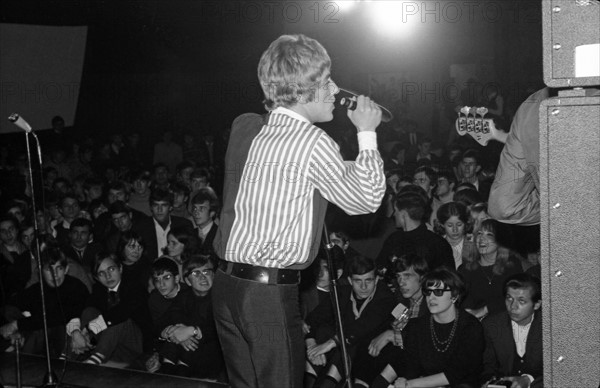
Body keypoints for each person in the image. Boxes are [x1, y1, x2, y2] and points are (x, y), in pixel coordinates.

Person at [212, 34, 385, 387]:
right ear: (304, 89)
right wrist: (367, 133)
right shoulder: (314, 143)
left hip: (226, 288)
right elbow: (366, 200)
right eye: (326, 81)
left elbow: (290, 173)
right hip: (266, 297)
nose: (336, 90)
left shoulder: (245, 126)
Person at [304, 256, 395, 388]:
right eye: (358, 281)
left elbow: (361, 328)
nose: (363, 287)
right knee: (323, 330)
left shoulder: (385, 298)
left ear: (376, 279)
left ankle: (328, 384)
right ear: (350, 281)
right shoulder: (341, 293)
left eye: (368, 280)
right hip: (337, 351)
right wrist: (312, 347)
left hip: (367, 354)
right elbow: (313, 319)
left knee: (352, 341)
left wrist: (330, 343)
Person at [392, 267, 485, 388]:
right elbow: (411, 367)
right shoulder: (416, 326)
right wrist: (404, 381)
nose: (431, 297)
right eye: (428, 292)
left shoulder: (470, 327)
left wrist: (410, 384)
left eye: (438, 292)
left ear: (454, 295)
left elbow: (457, 373)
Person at [0, 244, 89, 357]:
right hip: (37, 340)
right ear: (41, 271)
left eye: (59, 268)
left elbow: (57, 317)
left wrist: (17, 324)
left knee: (41, 329)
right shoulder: (37, 289)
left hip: (68, 340)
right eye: (49, 269)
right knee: (10, 311)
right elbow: (8, 306)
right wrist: (15, 331)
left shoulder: (76, 286)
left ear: (66, 269)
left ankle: (23, 361)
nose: (55, 274)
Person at [481, 273, 543, 388]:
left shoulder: (548, 327)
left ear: (537, 305)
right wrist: (490, 383)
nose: (513, 306)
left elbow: (560, 371)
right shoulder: (492, 325)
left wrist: (529, 379)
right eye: (509, 298)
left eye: (521, 301)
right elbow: (488, 367)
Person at [458, 219, 523, 319]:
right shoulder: (466, 270)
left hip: (506, 323)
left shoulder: (512, 266)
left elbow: (518, 298)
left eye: (489, 235)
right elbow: (463, 305)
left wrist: (485, 310)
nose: (481, 239)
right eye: (479, 234)